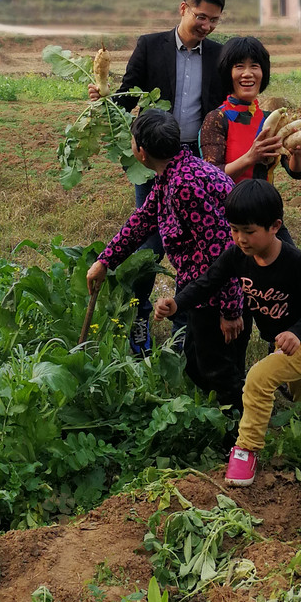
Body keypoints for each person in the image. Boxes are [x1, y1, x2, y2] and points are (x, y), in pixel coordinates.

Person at [153, 179, 301, 487]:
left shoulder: (296, 262)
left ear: (275, 226)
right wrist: (177, 303)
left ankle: (246, 450)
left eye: (249, 231)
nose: (240, 238)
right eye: (234, 229)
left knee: (258, 378)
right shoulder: (238, 255)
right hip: (285, 344)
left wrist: (295, 332)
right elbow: (208, 282)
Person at [88, 0, 226, 353]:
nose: (207, 26)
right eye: (202, 17)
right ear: (183, 8)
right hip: (154, 157)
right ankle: (138, 320)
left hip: (196, 159)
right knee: (148, 242)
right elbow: (128, 94)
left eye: (214, 21)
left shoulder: (218, 55)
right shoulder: (151, 46)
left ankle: (185, 329)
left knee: (197, 244)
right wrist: (103, 100)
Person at [85, 108, 250, 416]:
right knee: (196, 361)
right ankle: (232, 415)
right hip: (201, 289)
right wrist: (105, 260)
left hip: (219, 292)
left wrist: (230, 310)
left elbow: (223, 251)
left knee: (217, 369)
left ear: (141, 152)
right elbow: (142, 221)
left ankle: (243, 428)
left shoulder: (185, 185)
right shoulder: (172, 174)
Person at [199, 36, 301, 187]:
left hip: (265, 205)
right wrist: (251, 157)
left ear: (263, 73)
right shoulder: (217, 118)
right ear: (227, 73)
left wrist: (299, 152)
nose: (247, 73)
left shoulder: (270, 119)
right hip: (228, 207)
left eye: (254, 66)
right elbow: (211, 177)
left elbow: (296, 172)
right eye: (239, 66)